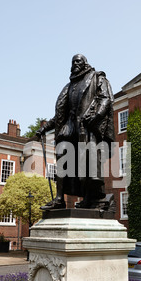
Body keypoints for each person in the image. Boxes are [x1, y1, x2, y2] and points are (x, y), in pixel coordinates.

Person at [36, 54, 115, 210]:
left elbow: (106, 98)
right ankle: (59, 199)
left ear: (85, 63)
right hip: (69, 128)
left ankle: (89, 198)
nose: (75, 64)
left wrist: (96, 115)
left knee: (85, 165)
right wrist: (44, 128)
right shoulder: (69, 86)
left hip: (85, 127)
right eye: (73, 62)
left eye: (78, 61)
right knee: (62, 160)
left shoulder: (96, 77)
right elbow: (60, 115)